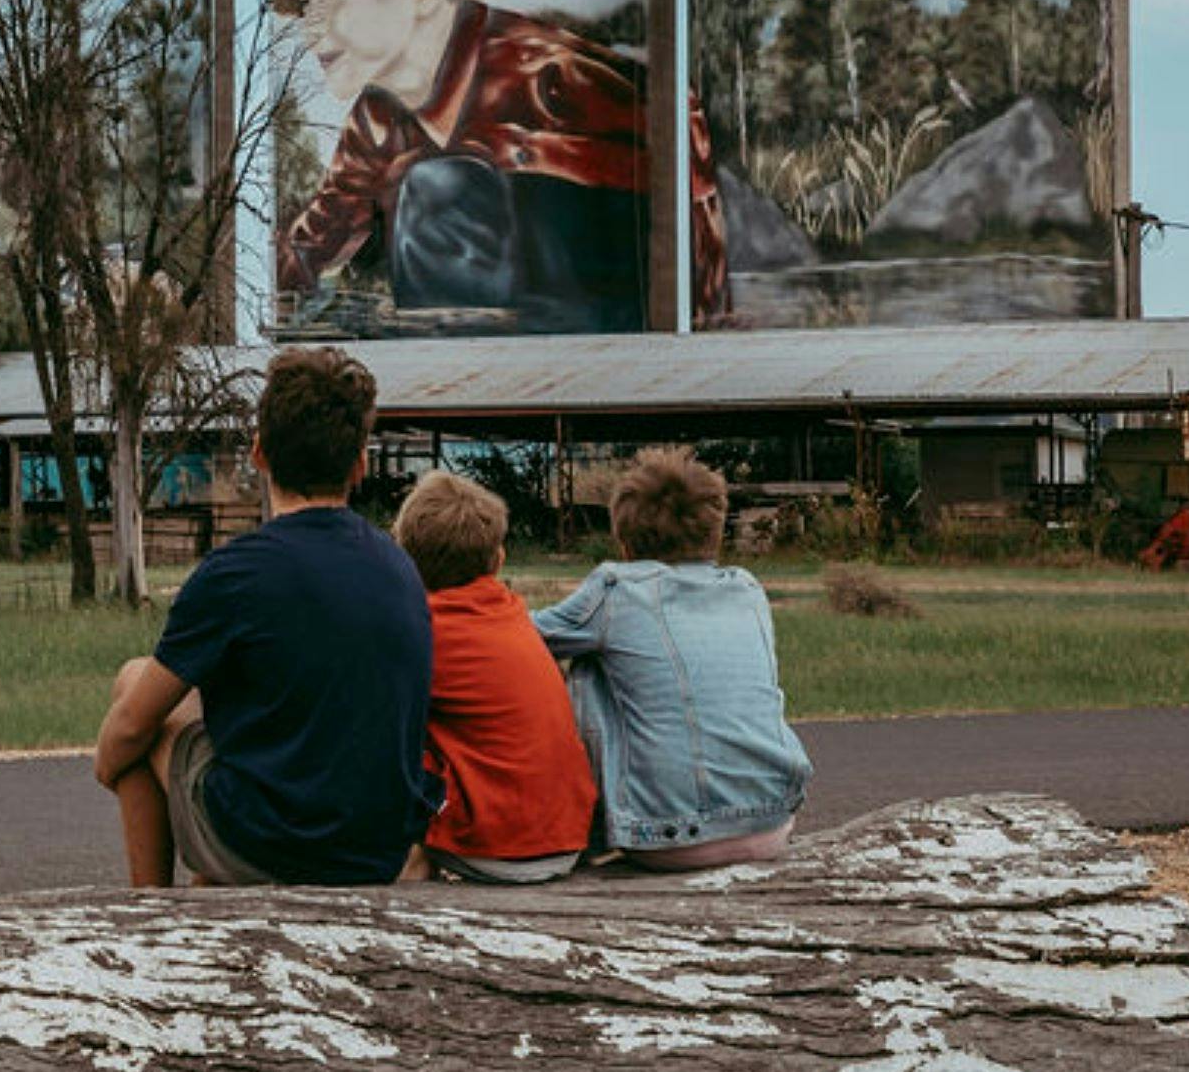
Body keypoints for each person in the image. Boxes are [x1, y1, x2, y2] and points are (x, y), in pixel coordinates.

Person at [271, 0, 726, 329]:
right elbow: (310, 249)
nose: (312, 33)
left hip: (606, 357)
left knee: (439, 189)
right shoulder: (377, 119)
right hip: (469, 366)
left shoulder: (555, 84)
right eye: (307, 1)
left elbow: (691, 215)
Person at [94, 347, 438, 886]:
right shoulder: (399, 567)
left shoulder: (235, 573)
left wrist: (111, 764)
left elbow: (134, 724)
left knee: (133, 687)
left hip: (275, 845)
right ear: (360, 463)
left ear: (259, 454)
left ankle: (150, 915)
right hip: (376, 848)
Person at [532, 447, 811, 869]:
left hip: (667, 837)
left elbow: (521, 636)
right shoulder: (747, 589)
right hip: (771, 823)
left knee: (586, 663)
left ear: (624, 542)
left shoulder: (617, 590)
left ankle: (580, 832)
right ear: (715, 533)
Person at [391, 470, 597, 883]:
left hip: (499, 848)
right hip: (566, 837)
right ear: (499, 559)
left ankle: (409, 861)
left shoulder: (425, 631)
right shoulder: (510, 614)